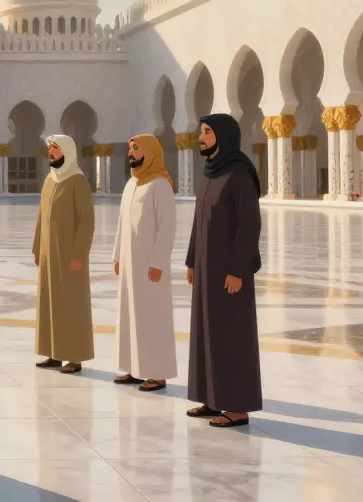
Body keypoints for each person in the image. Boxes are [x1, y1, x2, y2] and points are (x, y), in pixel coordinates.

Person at [186, 113, 263, 428]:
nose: (200, 138)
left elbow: (249, 227)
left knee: (231, 336)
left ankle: (237, 407)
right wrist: (192, 260)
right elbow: (197, 223)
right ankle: (212, 399)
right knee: (207, 332)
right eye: (200, 132)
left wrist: (238, 269)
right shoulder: (209, 175)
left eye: (206, 132)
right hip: (206, 269)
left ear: (224, 136)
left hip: (229, 272)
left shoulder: (238, 175)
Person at [111, 134, 177, 392]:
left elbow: (167, 227)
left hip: (150, 267)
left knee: (153, 318)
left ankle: (157, 373)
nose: (131, 153)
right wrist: (117, 255)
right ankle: (134, 368)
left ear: (150, 152)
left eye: (136, 148)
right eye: (130, 148)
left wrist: (158, 262)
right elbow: (121, 224)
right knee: (130, 315)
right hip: (129, 264)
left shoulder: (160, 185)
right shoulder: (132, 184)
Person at [33, 135, 95, 374]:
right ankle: (53, 353)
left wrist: (79, 254)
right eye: (49, 148)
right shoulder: (50, 179)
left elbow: (86, 221)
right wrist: (37, 247)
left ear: (67, 152)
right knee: (51, 303)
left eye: (55, 148)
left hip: (69, 255)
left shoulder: (78, 180)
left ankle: (75, 357)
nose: (50, 151)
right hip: (49, 253)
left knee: (72, 305)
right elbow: (41, 217)